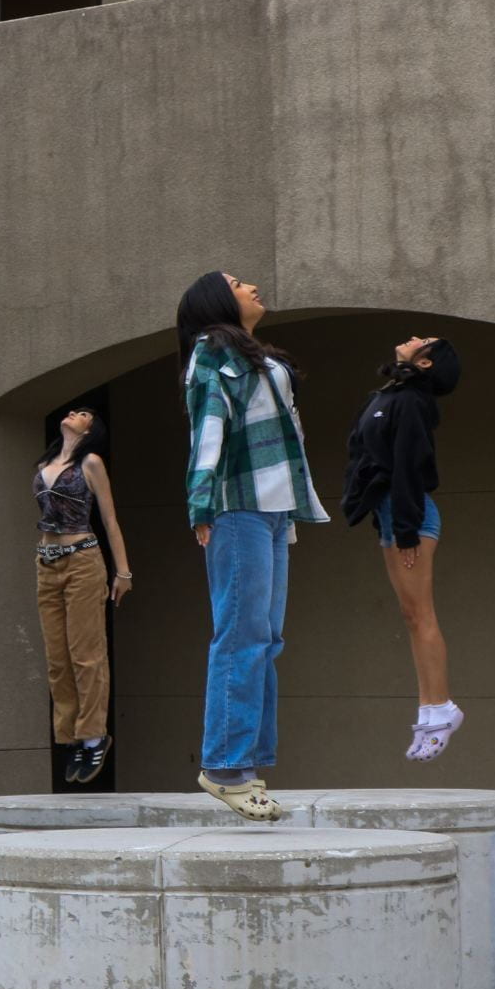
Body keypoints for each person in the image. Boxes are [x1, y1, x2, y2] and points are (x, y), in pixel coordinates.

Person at [177, 272, 329, 821]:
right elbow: (207, 429)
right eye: (239, 283)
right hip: (237, 504)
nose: (252, 287)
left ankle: (245, 765)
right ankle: (224, 766)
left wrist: (288, 514)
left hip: (271, 506)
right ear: (218, 301)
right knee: (241, 635)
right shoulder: (211, 352)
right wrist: (200, 504)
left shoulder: (252, 354)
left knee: (265, 639)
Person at [341, 335, 465, 761]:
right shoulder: (385, 396)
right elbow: (368, 459)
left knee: (422, 612)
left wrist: (407, 529)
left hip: (410, 515)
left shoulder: (411, 401)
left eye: (423, 341)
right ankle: (428, 710)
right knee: (411, 615)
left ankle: (442, 709)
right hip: (393, 514)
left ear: (426, 362)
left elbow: (410, 462)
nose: (413, 338)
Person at [33, 408, 133, 784]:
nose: (74, 413)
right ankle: (71, 736)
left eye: (83, 414)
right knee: (57, 658)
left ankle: (93, 736)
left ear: (90, 429)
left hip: (82, 560)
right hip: (46, 562)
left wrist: (123, 572)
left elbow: (109, 519)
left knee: (86, 654)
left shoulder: (90, 462)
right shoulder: (45, 463)